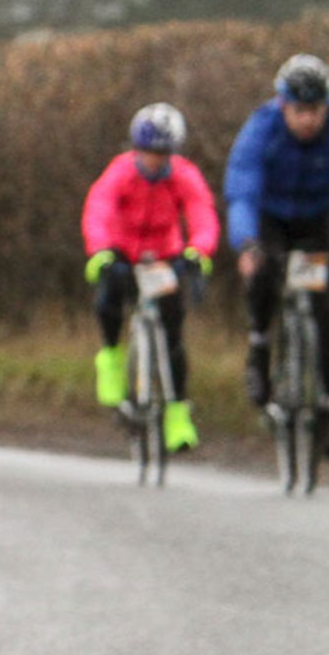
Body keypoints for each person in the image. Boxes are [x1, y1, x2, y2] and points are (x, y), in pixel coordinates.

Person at [224, 53, 329, 456]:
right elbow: (243, 188)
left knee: (323, 309)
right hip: (269, 219)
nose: (308, 120)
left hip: (316, 221)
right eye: (300, 111)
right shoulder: (261, 128)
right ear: (284, 105)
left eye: (316, 110)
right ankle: (259, 348)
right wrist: (246, 243)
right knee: (264, 275)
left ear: (328, 107)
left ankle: (328, 414)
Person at [79, 102, 219, 452]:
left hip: (164, 256)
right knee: (108, 301)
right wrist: (100, 252)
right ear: (136, 149)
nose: (155, 159)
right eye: (148, 152)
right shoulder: (120, 173)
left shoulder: (183, 175)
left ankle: (177, 416)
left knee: (173, 336)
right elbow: (99, 209)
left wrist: (198, 252)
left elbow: (202, 214)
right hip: (122, 252)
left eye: (162, 153)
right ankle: (110, 359)